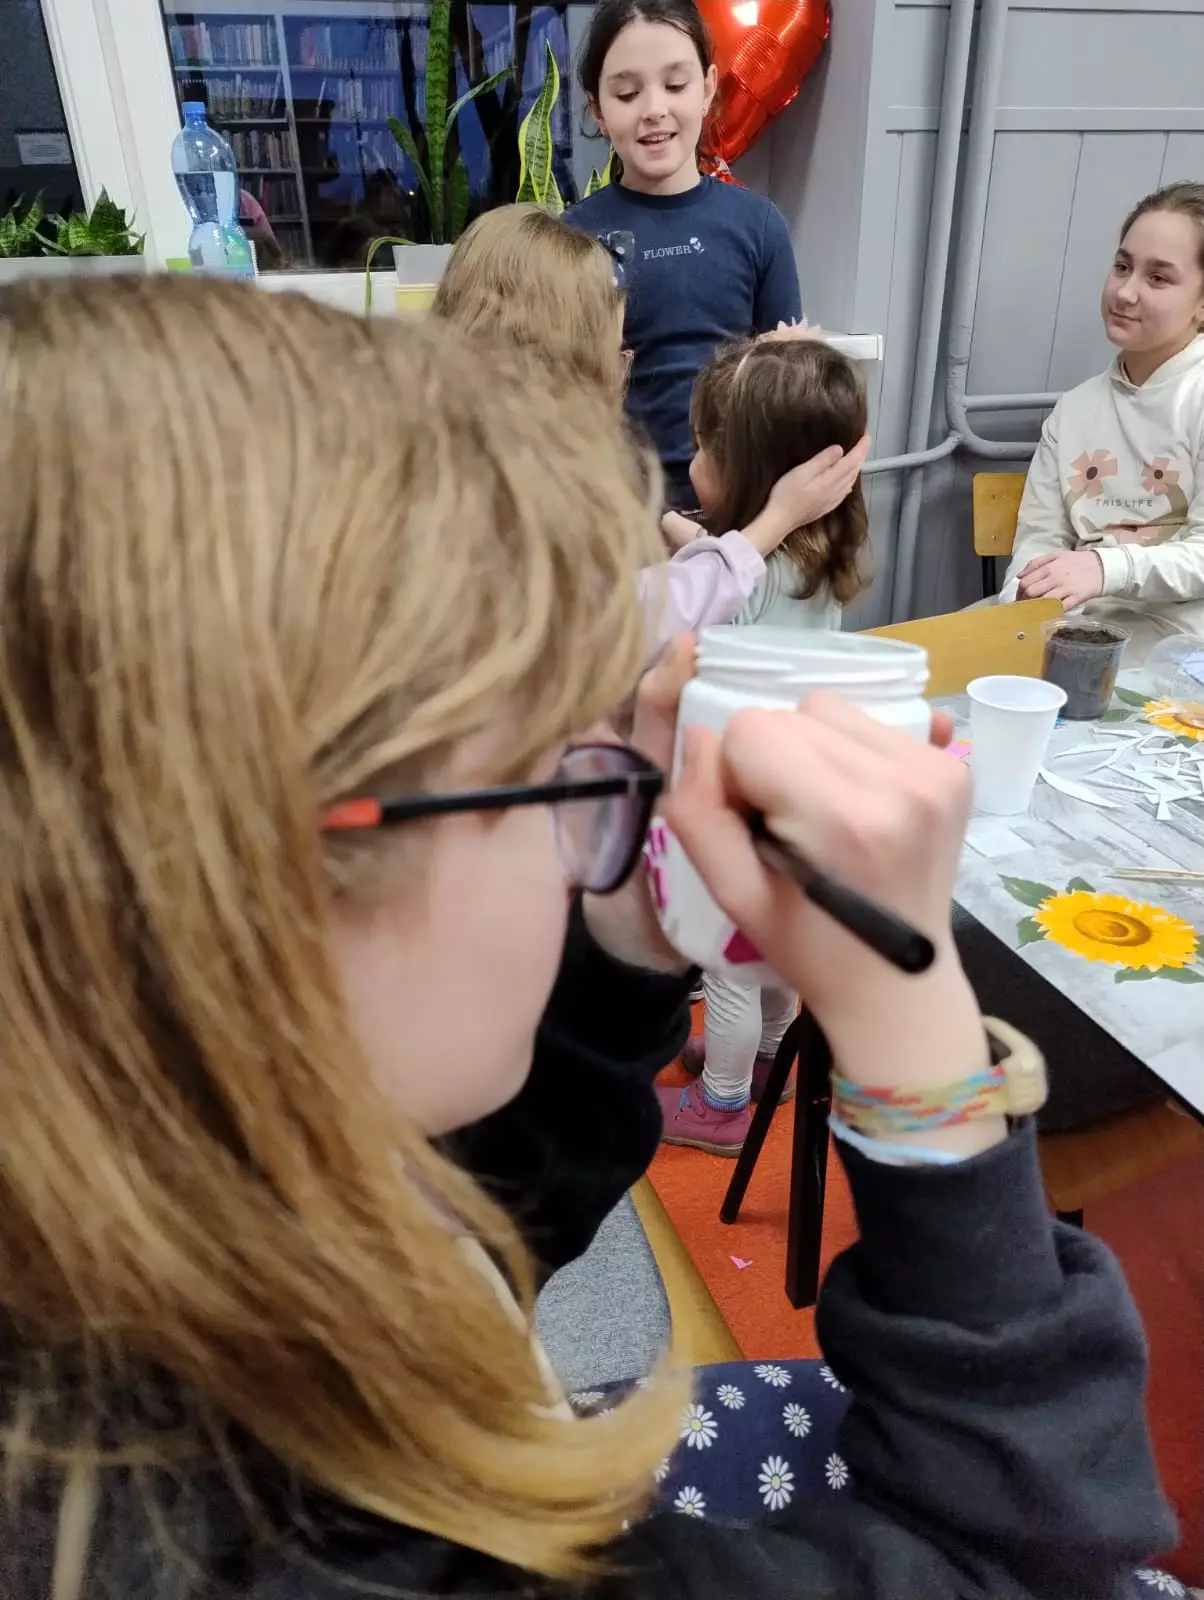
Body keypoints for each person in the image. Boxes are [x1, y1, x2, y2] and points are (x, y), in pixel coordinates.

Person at [0, 276, 1178, 1600]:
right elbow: (1033, 1559)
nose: (599, 810)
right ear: (253, 887)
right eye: (549, 774)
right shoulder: (344, 1558)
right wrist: (918, 1035)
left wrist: (625, 922)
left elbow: (480, 1205)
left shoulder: (157, 1204)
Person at [434, 203, 865, 661]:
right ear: (556, 363)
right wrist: (775, 521)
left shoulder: (465, 454)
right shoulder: (500, 499)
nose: (620, 376)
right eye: (613, 353)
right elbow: (624, 622)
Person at [658, 337, 873, 1154]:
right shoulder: (817, 556)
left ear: (748, 472)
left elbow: (697, 598)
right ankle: (770, 1060)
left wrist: (685, 542)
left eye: (702, 448)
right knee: (777, 949)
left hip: (736, 800)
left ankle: (721, 1105)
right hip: (800, 792)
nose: (691, 460)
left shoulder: (742, 577)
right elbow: (727, 566)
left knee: (729, 961)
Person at [566, 0, 819, 510]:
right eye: (627, 93)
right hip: (616, 518)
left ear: (707, 89)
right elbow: (561, 406)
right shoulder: (572, 237)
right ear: (597, 108)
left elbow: (786, 390)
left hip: (741, 516)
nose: (654, 109)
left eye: (676, 85)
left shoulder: (758, 225)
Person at [1001, 180, 1204, 662]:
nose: (1125, 292)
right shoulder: (1074, 409)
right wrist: (1022, 599)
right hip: (1070, 628)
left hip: (1179, 650)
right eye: (1122, 267)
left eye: (1158, 278)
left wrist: (1105, 567)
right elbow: (1040, 537)